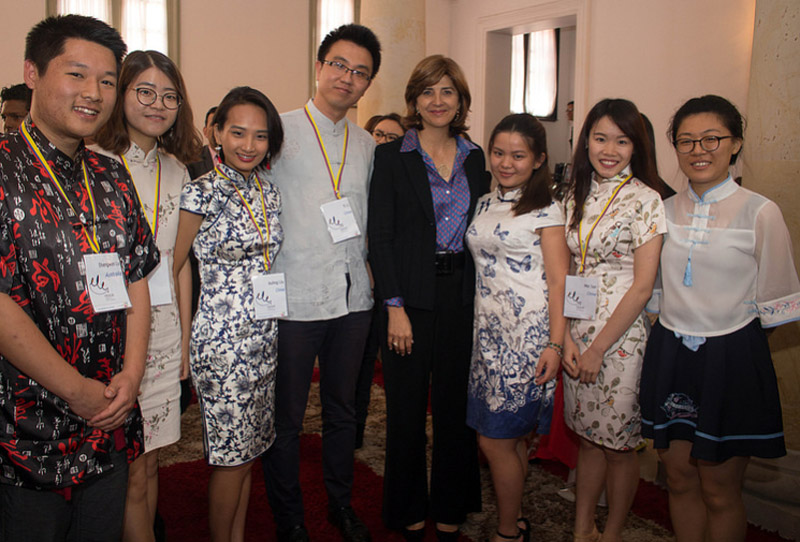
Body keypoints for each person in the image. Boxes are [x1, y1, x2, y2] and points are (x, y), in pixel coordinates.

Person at [0, 15, 159, 541]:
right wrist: (76, 391)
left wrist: (131, 377)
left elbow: (136, 274)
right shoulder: (4, 170)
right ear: (33, 72)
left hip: (109, 417)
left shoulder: (111, 174)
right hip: (24, 427)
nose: (94, 93)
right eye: (77, 74)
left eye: (108, 80)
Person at [641, 95, 800, 542]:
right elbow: (652, 291)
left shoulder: (759, 212)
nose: (699, 150)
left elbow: (776, 303)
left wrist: (729, 337)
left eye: (712, 138)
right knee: (678, 477)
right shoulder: (663, 211)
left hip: (732, 357)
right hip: (671, 352)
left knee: (720, 488)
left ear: (736, 144)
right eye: (686, 141)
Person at [260, 23, 381, 542]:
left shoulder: (368, 144)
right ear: (318, 65)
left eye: (360, 72)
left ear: (367, 83)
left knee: (342, 411)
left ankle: (340, 503)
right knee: (285, 418)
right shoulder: (278, 130)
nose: (347, 78)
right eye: (339, 65)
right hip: (294, 296)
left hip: (353, 297)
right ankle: (288, 516)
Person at [368, 54, 490, 541]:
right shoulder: (392, 155)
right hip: (409, 297)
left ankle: (451, 500)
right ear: (414, 100)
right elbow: (381, 235)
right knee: (406, 407)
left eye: (447, 92)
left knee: (455, 406)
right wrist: (393, 305)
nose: (437, 101)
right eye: (428, 92)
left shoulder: (475, 156)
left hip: (462, 294)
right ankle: (406, 504)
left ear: (460, 100)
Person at [92, 49, 202, 542]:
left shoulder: (178, 170)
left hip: (160, 329)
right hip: (104, 326)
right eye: (145, 91)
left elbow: (177, 266)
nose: (158, 104)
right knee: (110, 463)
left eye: (169, 96)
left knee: (149, 461)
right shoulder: (92, 161)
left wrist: (182, 339)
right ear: (120, 93)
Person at [172, 86, 284, 542]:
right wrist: (177, 341)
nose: (248, 145)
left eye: (260, 136)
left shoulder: (268, 191)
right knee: (230, 457)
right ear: (216, 132)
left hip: (263, 337)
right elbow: (173, 264)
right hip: (222, 343)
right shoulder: (201, 193)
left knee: (251, 450)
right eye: (237, 132)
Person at [561, 98, 667, 542]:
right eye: (601, 138)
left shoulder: (647, 199)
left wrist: (599, 347)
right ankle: (583, 527)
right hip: (577, 329)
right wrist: (565, 335)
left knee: (619, 446)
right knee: (588, 439)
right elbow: (566, 268)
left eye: (622, 141)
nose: (610, 149)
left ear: (635, 146)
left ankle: (614, 532)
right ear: (586, 140)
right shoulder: (573, 194)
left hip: (621, 339)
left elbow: (643, 287)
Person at [466, 113, 569, 542]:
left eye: (519, 155)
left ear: (539, 159)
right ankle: (519, 518)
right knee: (506, 441)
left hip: (526, 341)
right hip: (486, 335)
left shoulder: (546, 207)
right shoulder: (486, 200)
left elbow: (560, 280)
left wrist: (555, 344)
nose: (506, 163)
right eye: (499, 152)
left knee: (495, 443)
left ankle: (508, 531)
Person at [187, 105, 218, 179]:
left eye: (221, 125)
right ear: (205, 131)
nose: (216, 130)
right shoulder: (192, 159)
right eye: (212, 125)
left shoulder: (236, 158)